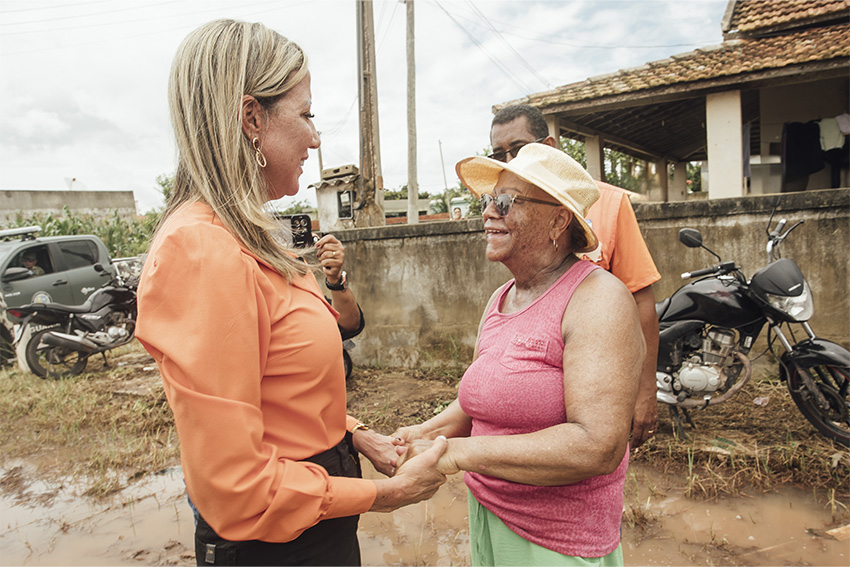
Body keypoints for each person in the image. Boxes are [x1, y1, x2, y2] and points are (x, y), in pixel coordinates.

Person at [135, 19, 446, 566]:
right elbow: (235, 487)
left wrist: (354, 434)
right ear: (252, 118)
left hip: (314, 521)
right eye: (306, 115)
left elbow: (277, 389)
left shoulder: (252, 235)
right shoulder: (203, 250)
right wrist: (385, 494)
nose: (316, 138)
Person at [393, 143, 645, 566]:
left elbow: (597, 446)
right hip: (490, 509)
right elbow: (481, 402)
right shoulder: (502, 297)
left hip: (555, 539)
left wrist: (454, 454)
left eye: (506, 202)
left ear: (558, 220)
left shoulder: (599, 300)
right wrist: (423, 432)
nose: (489, 213)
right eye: (488, 201)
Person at [488, 104, 661, 449]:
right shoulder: (506, 206)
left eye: (518, 149)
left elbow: (640, 299)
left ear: (549, 146)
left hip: (598, 382)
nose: (509, 160)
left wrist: (645, 391)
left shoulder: (608, 202)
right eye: (499, 154)